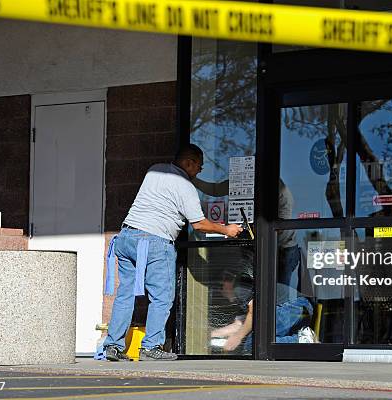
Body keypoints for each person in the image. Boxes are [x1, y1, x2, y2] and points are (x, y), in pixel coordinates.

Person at [104, 144, 243, 361]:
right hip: (154, 241)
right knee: (162, 298)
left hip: (126, 237)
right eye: (199, 166)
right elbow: (199, 224)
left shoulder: (155, 170)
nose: (199, 172)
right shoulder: (185, 187)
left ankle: (112, 345)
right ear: (189, 163)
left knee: (125, 294)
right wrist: (227, 230)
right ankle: (150, 347)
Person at [211, 268, 317, 352]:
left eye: (220, 288)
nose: (222, 294)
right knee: (253, 344)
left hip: (293, 308)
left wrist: (238, 337)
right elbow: (238, 325)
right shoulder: (241, 297)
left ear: (226, 283)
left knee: (254, 343)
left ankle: (300, 341)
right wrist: (212, 334)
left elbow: (253, 310)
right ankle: (301, 339)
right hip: (299, 309)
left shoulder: (239, 286)